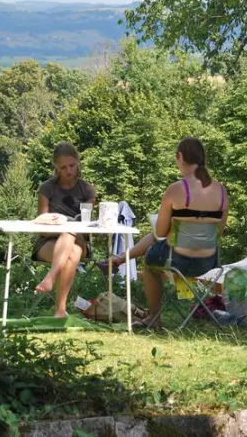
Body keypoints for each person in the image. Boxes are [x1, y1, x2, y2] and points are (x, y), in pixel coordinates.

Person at [97, 136, 227, 328]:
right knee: (158, 241)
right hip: (209, 262)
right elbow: (219, 232)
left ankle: (154, 317)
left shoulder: (176, 189)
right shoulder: (221, 191)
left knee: (151, 259)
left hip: (180, 260)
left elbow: (160, 231)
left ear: (180, 156)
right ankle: (119, 259)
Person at [33, 141, 97, 317]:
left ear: (78, 162)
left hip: (80, 241)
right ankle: (60, 310)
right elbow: (41, 228)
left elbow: (86, 227)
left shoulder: (87, 190)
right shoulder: (46, 188)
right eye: (63, 167)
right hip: (48, 242)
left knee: (72, 233)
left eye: (72, 165)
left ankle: (50, 277)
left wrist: (70, 229)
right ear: (56, 166)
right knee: (72, 253)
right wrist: (63, 228)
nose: (69, 171)